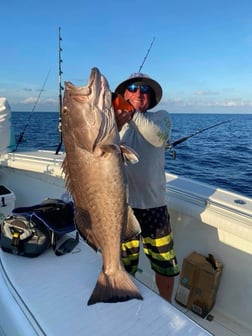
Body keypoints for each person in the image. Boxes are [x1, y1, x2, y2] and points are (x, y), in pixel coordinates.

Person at [113, 73, 180, 303]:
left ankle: (167, 306)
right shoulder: (113, 122)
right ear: (125, 94)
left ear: (151, 98)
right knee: (124, 263)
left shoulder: (161, 117)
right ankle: (124, 300)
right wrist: (115, 122)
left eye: (145, 90)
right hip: (123, 207)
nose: (140, 93)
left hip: (154, 206)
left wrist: (130, 114)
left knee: (164, 263)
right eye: (133, 88)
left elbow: (159, 138)